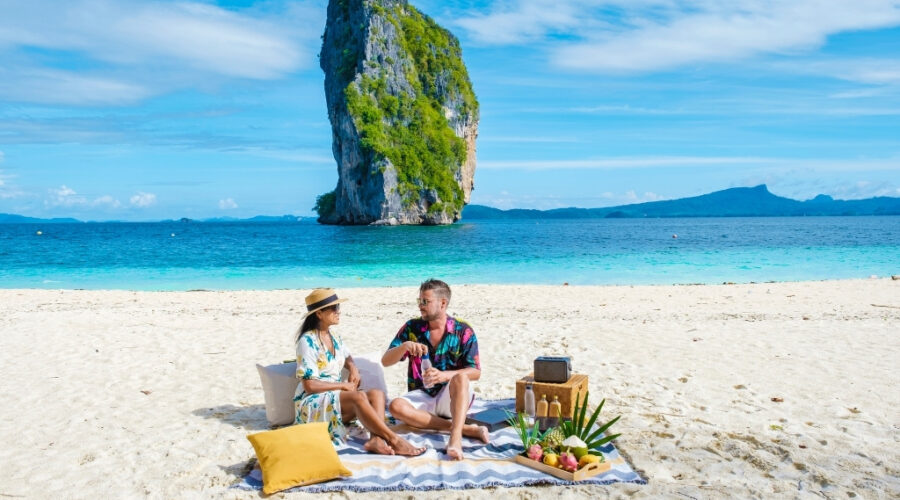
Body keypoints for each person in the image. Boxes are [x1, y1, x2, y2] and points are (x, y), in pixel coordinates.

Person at [294, 288, 424, 456]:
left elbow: (347, 357)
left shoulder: (334, 338)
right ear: (319, 313)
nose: (338, 311)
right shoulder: (307, 341)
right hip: (312, 404)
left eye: (338, 307)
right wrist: (344, 385)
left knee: (377, 394)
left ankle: (376, 440)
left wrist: (353, 368)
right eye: (334, 308)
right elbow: (309, 385)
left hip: (333, 399)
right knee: (359, 396)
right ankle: (394, 440)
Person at [382, 279, 490, 460]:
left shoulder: (463, 330)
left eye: (425, 301)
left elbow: (475, 372)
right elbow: (386, 361)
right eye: (419, 301)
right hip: (423, 395)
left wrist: (443, 376)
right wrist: (405, 347)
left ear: (443, 303)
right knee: (395, 406)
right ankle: (465, 429)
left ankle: (455, 439)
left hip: (452, 397)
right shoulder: (412, 328)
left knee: (461, 378)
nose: (420, 306)